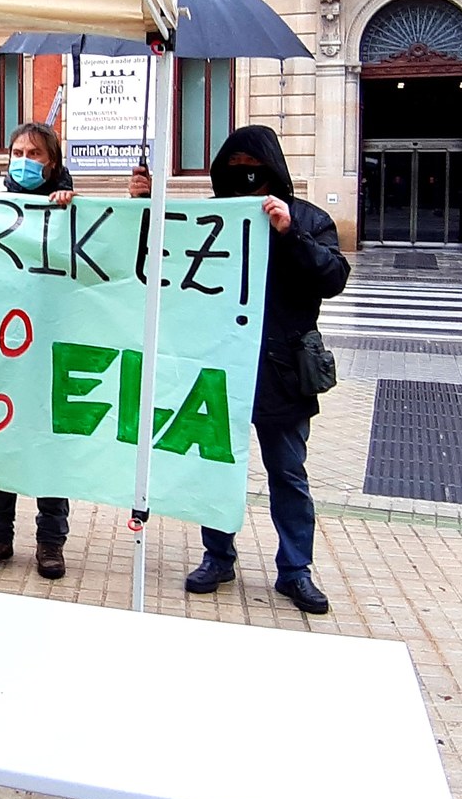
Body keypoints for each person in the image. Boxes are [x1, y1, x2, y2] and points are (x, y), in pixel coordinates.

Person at [134, 125, 349, 614]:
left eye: (253, 166)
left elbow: (333, 277)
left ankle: (296, 570)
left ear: (272, 167)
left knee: (289, 475)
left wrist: (290, 234)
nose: (244, 176)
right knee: (217, 470)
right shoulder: (210, 216)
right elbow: (154, 262)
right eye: (234, 168)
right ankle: (218, 556)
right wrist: (146, 206)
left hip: (282, 372)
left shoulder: (307, 219)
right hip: (222, 368)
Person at [0, 123, 75, 579]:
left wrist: (71, 207)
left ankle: (50, 543)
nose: (24, 160)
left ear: (53, 162)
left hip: (51, 351)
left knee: (50, 448)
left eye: (35, 153)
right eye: (17, 151)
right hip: (4, 351)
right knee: (3, 442)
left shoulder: (71, 207)